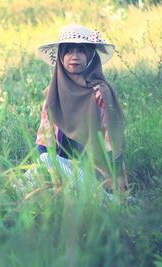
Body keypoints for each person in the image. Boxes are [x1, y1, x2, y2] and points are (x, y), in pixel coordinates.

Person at [20, 24, 129, 198]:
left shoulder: (99, 92)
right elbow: (44, 142)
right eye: (69, 51)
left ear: (91, 55)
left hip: (96, 174)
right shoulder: (53, 93)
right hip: (60, 170)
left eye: (81, 51)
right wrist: (47, 173)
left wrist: (116, 185)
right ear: (61, 56)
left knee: (46, 162)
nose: (74, 57)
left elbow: (112, 144)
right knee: (31, 176)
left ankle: (107, 198)